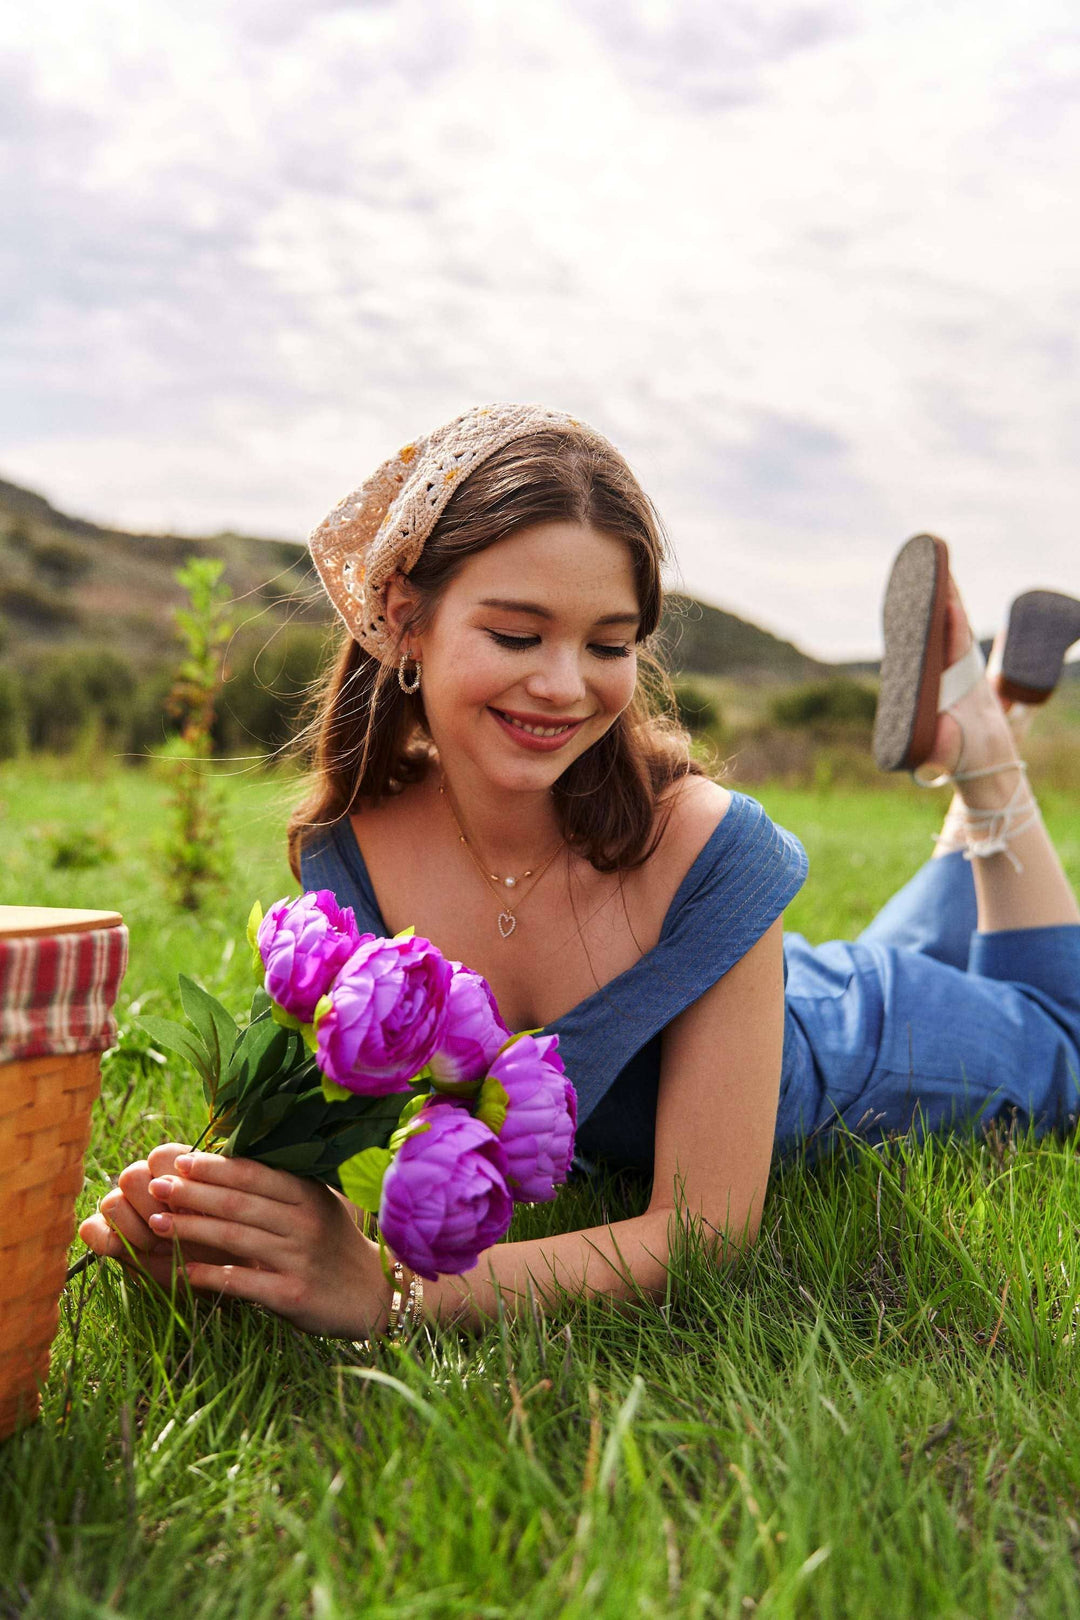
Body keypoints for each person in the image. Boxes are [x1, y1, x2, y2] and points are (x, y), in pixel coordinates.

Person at [79, 403, 1080, 1342]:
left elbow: (702, 1231)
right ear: (404, 618)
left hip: (851, 1049)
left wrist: (395, 1291)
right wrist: (219, 1218)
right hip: (758, 984)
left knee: (1061, 1039)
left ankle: (987, 754)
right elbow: (325, 1154)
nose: (563, 685)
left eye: (608, 645)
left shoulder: (706, 840)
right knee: (907, 949)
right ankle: (982, 731)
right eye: (516, 635)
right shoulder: (351, 861)